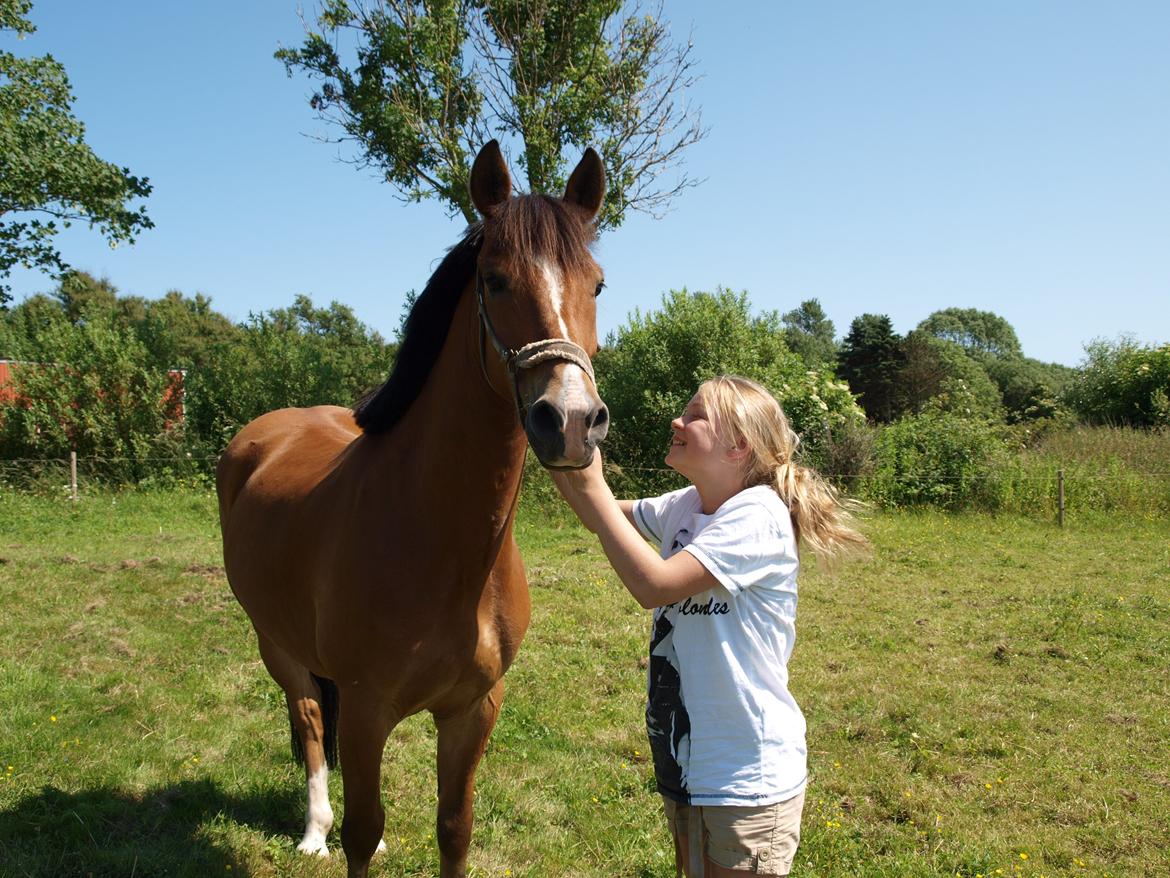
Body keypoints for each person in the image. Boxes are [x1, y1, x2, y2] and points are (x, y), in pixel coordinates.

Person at [550, 375, 869, 877]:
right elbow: (599, 516)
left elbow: (654, 584)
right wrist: (561, 450)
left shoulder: (758, 517)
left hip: (747, 780)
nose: (677, 421)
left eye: (695, 415)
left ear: (738, 444)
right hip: (690, 764)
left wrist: (593, 479)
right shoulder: (686, 504)